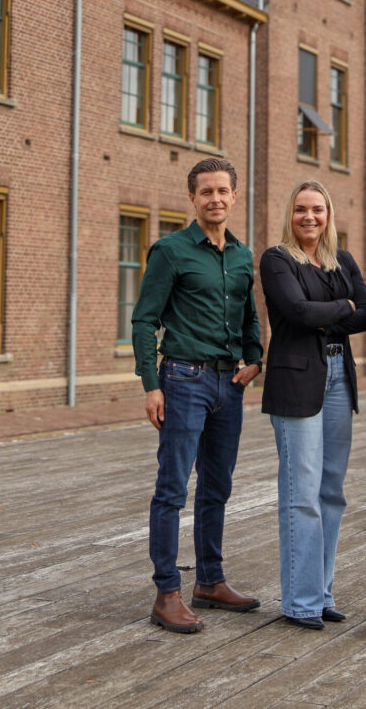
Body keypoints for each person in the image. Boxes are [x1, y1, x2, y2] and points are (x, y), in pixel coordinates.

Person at [132, 157, 263, 634]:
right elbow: (144, 320)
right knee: (172, 488)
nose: (215, 199)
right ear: (192, 198)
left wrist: (255, 358)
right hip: (183, 379)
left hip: (230, 384)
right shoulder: (170, 251)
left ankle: (209, 581)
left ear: (234, 196)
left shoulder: (243, 255)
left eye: (222, 191)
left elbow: (249, 316)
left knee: (217, 487)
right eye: (206, 191)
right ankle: (167, 593)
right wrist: (151, 384)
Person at [259, 180, 366, 629]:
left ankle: (322, 593)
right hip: (296, 381)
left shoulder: (342, 260)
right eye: (301, 209)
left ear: (329, 215)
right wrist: (343, 306)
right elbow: (298, 312)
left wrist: (327, 314)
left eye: (318, 209)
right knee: (301, 492)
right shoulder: (276, 259)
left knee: (331, 492)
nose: (309, 217)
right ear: (290, 215)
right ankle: (301, 602)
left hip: (339, 376)